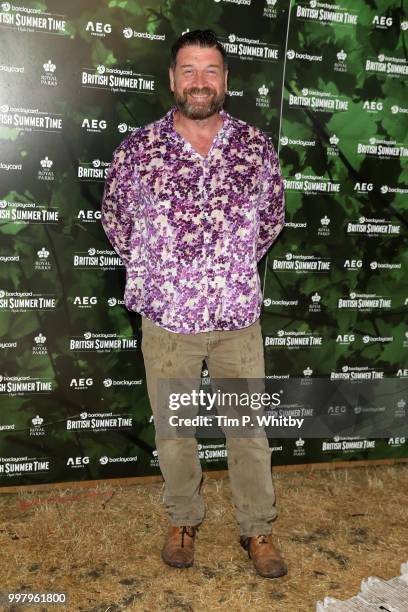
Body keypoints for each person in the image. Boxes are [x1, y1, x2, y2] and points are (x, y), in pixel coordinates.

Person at [101, 29, 286, 579]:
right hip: (168, 321)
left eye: (210, 71)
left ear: (226, 80)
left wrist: (224, 272)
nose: (200, 82)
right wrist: (167, 278)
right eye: (189, 70)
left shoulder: (255, 149)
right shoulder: (138, 151)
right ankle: (183, 519)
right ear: (172, 80)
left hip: (236, 320)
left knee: (249, 432)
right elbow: (117, 223)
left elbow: (270, 221)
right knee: (175, 433)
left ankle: (258, 529)